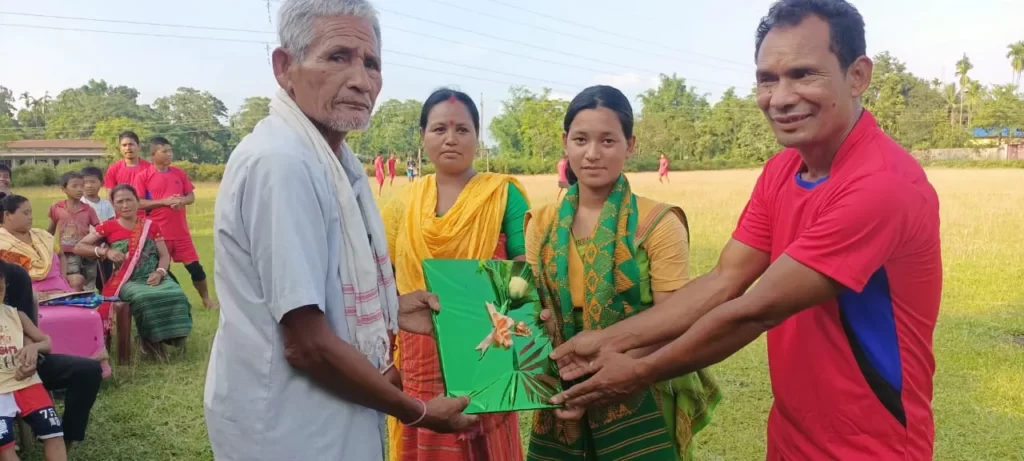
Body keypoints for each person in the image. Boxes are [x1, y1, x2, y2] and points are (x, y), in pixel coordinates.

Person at [547, 1, 941, 460]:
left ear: (857, 76)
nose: (781, 96)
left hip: (872, 445)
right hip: (793, 433)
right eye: (767, 79)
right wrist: (608, 340)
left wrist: (640, 370)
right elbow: (724, 281)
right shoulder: (782, 170)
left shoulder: (881, 185)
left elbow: (753, 311)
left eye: (803, 74)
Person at [204, 1, 477, 460]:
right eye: (337, 57)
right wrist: (417, 412)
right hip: (290, 426)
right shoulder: (283, 162)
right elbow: (307, 344)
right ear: (285, 67)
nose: (361, 79)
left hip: (331, 414)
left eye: (371, 63)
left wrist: (394, 307)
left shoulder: (335, 162)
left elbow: (322, 291)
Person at [524, 86, 720, 461]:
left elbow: (673, 321)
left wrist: (611, 373)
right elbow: (533, 313)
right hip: (561, 383)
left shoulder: (658, 223)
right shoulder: (542, 224)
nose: (593, 153)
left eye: (608, 140)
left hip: (638, 382)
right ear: (565, 143)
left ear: (630, 145)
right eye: (580, 139)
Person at [382, 89, 527, 461]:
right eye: (439, 129)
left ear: (478, 137)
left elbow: (522, 272)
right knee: (425, 436)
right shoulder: (404, 201)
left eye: (463, 129)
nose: (451, 138)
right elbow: (382, 279)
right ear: (422, 136)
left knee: (484, 440)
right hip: (417, 350)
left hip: (487, 347)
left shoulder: (503, 195)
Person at [74, 185, 193, 357]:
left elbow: (164, 256)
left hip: (154, 276)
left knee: (177, 294)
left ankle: (169, 339)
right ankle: (149, 341)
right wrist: (106, 252)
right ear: (113, 206)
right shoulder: (107, 227)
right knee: (144, 298)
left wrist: (159, 272)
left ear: (138, 203)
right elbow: (79, 246)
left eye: (129, 200)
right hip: (127, 280)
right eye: (119, 202)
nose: (125, 205)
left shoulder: (151, 226)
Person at [0, 261, 102, 453]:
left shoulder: (13, 274)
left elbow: (27, 330)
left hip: (23, 364)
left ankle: (65, 440)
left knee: (88, 371)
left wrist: (31, 355)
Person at [136, 137, 218, 309]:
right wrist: (163, 202)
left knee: (196, 269)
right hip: (158, 234)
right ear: (153, 155)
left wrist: (182, 201)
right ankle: (174, 303)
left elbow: (191, 196)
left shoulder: (179, 173)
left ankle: (206, 300)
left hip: (181, 233)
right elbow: (138, 202)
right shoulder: (143, 176)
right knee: (162, 271)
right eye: (164, 151)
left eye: (170, 151)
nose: (169, 154)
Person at [0, 270, 68, 461]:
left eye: (1, 289)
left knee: (54, 432)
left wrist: (34, 348)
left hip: (27, 382)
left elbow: (47, 342)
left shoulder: (16, 315)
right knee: (4, 445)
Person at [0, 195, 78, 295]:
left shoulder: (43, 236)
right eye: (26, 213)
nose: (31, 217)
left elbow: (61, 255)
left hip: (61, 291)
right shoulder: (2, 242)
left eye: (30, 213)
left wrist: (63, 278)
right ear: (7, 215)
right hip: (25, 296)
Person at [47, 172, 100, 292]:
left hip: (88, 253)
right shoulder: (57, 208)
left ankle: (90, 306)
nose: (80, 189)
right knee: (74, 282)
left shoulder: (88, 209)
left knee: (89, 281)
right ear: (63, 189)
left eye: (82, 185)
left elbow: (99, 230)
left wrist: (98, 248)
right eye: (75, 186)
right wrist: (45, 245)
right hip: (68, 254)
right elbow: (51, 229)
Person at [80, 166, 116, 291]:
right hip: (85, 250)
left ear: (102, 183)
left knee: (105, 282)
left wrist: (107, 245)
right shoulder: (80, 203)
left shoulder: (107, 204)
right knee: (86, 283)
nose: (89, 185)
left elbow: (112, 225)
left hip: (104, 250)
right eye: (85, 182)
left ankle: (106, 307)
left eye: (93, 182)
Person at [104, 131, 152, 198]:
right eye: (124, 145)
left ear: (139, 146)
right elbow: (109, 197)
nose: (128, 148)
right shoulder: (113, 169)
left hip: (145, 207)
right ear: (120, 148)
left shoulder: (150, 168)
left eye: (131, 144)